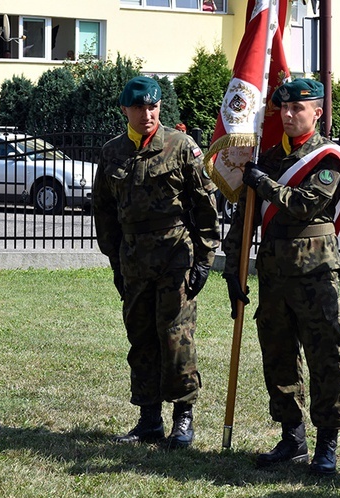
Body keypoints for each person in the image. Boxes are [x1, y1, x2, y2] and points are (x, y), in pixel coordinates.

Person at [223, 78, 340, 474]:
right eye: (285, 109)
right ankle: (292, 438)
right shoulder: (270, 157)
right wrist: (233, 269)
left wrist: (262, 183)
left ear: (318, 112)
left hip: (314, 274)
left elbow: (305, 204)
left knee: (322, 357)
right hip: (274, 273)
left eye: (300, 108)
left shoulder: (326, 158)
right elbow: (244, 220)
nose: (290, 115)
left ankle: (327, 442)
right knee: (278, 356)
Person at [93, 76, 221, 449]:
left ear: (159, 107)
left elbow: (206, 207)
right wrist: (115, 261)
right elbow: (103, 210)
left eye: (152, 106)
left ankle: (183, 416)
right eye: (138, 107)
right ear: (125, 110)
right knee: (141, 337)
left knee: (177, 338)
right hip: (133, 259)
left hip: (174, 257)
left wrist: (204, 260)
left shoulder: (181, 146)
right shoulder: (113, 152)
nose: (146, 114)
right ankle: (148, 418)